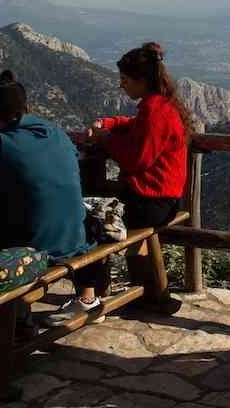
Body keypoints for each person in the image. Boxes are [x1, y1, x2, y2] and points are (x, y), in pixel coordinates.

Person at [47, 41, 190, 326]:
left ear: (141, 80)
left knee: (85, 219)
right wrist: (111, 123)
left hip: (152, 203)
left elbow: (137, 159)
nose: (121, 86)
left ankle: (88, 298)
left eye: (125, 80)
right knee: (91, 212)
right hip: (159, 200)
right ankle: (108, 291)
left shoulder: (156, 112)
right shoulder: (158, 106)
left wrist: (106, 139)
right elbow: (134, 125)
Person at [0, 71, 92, 265]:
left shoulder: (1, 141)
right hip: (75, 239)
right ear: (26, 107)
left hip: (33, 249)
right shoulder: (56, 132)